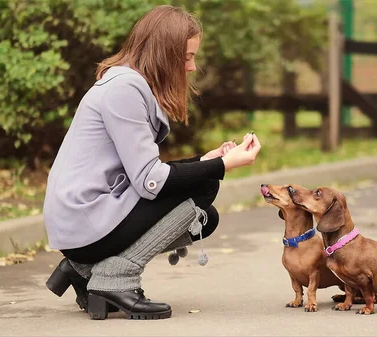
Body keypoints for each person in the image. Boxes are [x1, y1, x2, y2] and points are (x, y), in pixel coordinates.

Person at [43, 5, 261, 320]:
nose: (192, 68)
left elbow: (144, 172)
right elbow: (151, 182)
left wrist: (207, 160)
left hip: (88, 217)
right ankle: (115, 277)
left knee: (206, 216)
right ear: (164, 54)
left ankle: (85, 269)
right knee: (205, 186)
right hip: (85, 219)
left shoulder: (127, 83)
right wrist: (223, 167)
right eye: (187, 57)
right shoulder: (124, 89)